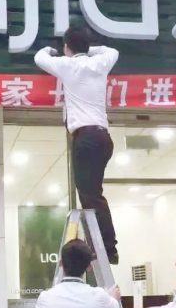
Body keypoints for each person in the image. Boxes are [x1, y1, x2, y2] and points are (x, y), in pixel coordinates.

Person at [34, 26, 120, 264]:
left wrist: (50, 50)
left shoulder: (67, 65)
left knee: (90, 195)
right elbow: (112, 50)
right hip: (103, 137)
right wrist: (91, 49)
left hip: (87, 139)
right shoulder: (101, 62)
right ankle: (107, 246)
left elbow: (39, 57)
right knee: (93, 194)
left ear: (66, 48)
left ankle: (107, 249)